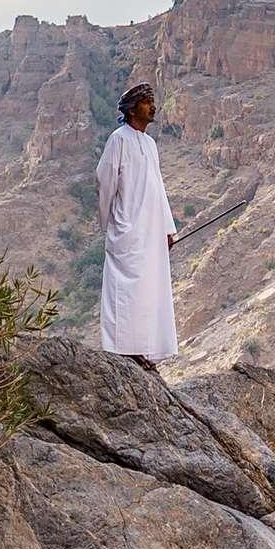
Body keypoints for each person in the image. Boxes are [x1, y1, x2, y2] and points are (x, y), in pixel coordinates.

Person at [95, 83, 178, 366]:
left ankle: (145, 349)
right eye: (146, 102)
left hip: (150, 231)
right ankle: (123, 349)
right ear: (132, 109)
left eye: (152, 101)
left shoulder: (150, 144)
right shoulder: (118, 140)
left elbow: (158, 187)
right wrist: (109, 224)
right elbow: (105, 182)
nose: (152, 107)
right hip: (127, 229)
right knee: (125, 290)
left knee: (148, 290)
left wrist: (167, 229)